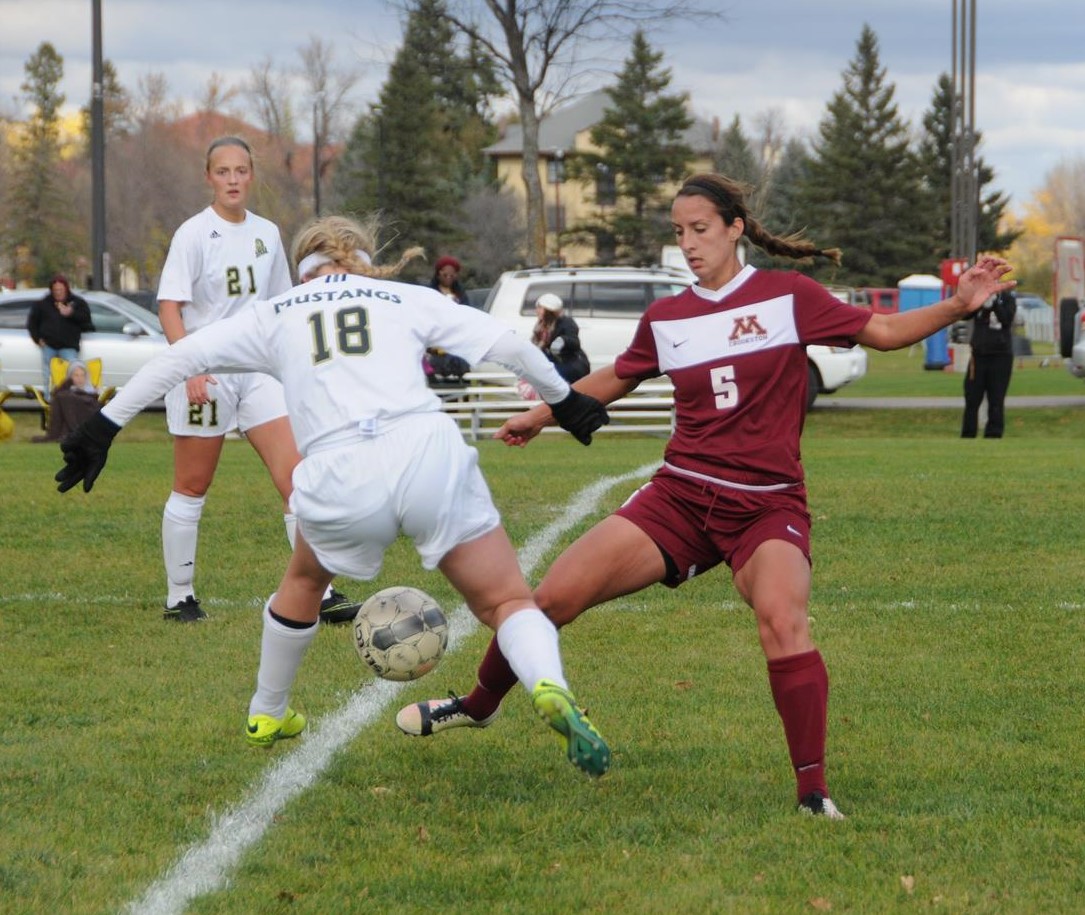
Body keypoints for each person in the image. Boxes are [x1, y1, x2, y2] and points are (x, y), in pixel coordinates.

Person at [395, 173, 1015, 818]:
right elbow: (614, 377)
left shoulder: (788, 297)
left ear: (735, 228)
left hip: (768, 504)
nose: (689, 244)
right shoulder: (668, 317)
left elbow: (883, 331)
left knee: (783, 619)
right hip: (681, 497)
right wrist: (542, 415)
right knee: (550, 597)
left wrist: (957, 304)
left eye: (700, 230)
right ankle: (476, 706)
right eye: (679, 233)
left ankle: (813, 792)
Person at [55, 212, 614, 777]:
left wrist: (103, 425)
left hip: (340, 471)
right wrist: (564, 402)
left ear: (301, 273)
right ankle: (548, 683)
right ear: (365, 260)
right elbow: (512, 349)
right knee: (506, 602)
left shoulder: (273, 313)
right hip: (425, 450)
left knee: (304, 581)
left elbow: (180, 360)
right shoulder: (403, 297)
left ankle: (267, 712)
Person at [156, 135, 358, 624]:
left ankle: (320, 591)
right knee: (192, 484)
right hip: (208, 372)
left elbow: (282, 308)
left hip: (259, 372)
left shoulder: (267, 233)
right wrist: (191, 366)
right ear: (209, 177)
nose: (232, 180)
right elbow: (169, 306)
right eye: (222, 171)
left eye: (241, 170)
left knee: (296, 479)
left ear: (252, 175)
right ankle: (179, 596)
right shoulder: (192, 234)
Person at [26, 276, 94, 401]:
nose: (58, 293)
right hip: (48, 345)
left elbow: (87, 321)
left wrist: (71, 314)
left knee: (73, 372)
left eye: (61, 290)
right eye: (55, 290)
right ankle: (49, 399)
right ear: (51, 290)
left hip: (69, 345)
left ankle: (72, 398)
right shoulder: (42, 304)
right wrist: (37, 339)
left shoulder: (77, 303)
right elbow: (32, 323)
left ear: (66, 289)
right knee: (48, 374)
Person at [961, 288, 1016, 439]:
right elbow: (966, 314)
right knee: (972, 397)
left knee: (996, 398)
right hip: (979, 355)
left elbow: (1007, 319)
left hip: (1001, 356)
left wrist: (995, 305)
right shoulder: (978, 297)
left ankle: (994, 434)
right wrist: (980, 304)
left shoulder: (1008, 298)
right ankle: (968, 434)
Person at [32, 360, 102, 444]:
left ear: (86, 377)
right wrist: (68, 384)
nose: (80, 378)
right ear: (70, 377)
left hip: (86, 419)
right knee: (62, 398)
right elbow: (55, 394)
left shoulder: (92, 390)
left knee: (65, 397)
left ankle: (63, 433)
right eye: (76, 375)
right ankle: (59, 433)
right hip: (69, 414)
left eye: (82, 375)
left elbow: (94, 405)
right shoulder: (66, 390)